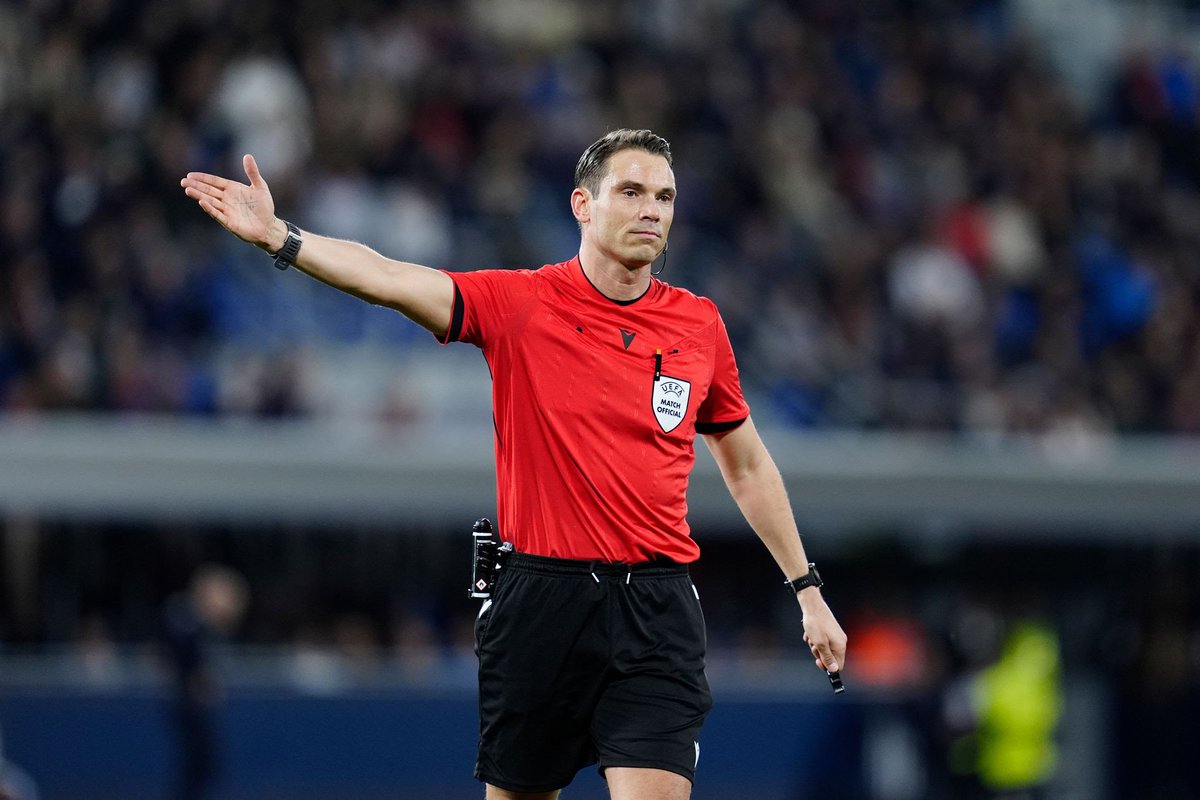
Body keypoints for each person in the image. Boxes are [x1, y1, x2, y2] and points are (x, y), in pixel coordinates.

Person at [181, 129, 847, 800]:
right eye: (633, 192)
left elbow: (749, 466)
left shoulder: (698, 325)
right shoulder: (522, 304)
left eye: (666, 196)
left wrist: (807, 590)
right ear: (583, 205)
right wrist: (282, 238)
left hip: (657, 607)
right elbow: (387, 277)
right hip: (540, 601)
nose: (653, 210)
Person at [159, 564, 250, 800]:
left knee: (206, 764)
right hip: (186, 705)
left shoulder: (203, 627)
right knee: (197, 764)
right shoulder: (183, 619)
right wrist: (196, 680)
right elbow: (176, 658)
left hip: (195, 706)